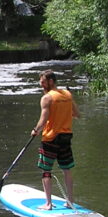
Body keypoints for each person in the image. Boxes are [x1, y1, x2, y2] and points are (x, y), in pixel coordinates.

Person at [31, 69, 80, 209]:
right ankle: (71, 201)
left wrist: (35, 130)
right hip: (65, 138)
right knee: (67, 169)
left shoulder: (47, 98)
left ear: (51, 81)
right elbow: (77, 114)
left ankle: (48, 204)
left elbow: (43, 119)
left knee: (46, 171)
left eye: (43, 82)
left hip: (50, 139)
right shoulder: (68, 95)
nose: (41, 85)